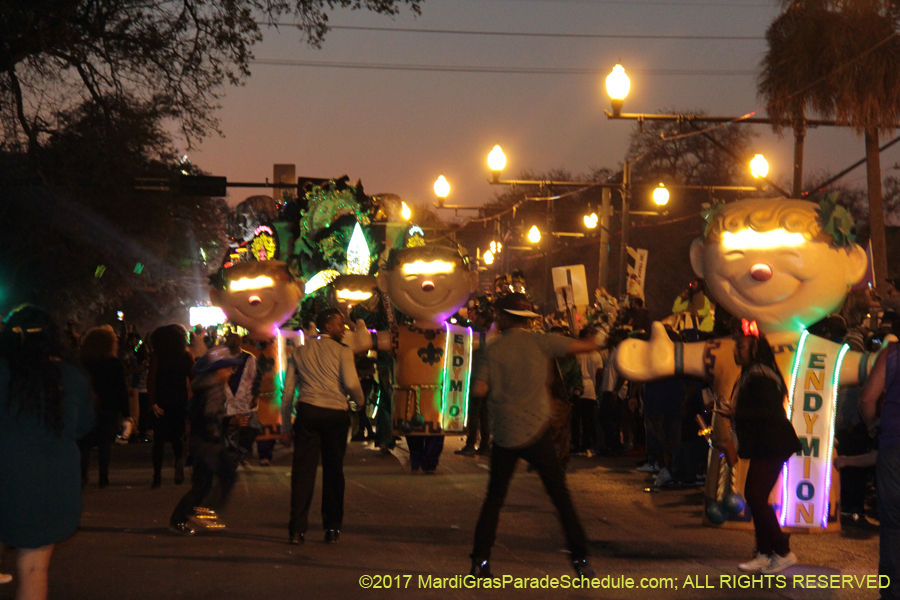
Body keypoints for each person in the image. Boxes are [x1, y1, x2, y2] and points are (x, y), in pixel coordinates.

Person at [468, 293, 599, 578]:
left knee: (494, 499)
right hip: (537, 429)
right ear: (525, 319)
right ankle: (581, 560)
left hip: (504, 433)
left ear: (502, 318)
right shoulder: (542, 341)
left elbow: (477, 389)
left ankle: (480, 560)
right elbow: (586, 345)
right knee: (560, 496)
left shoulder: (490, 351)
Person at [0, 306, 95, 600]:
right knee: (33, 569)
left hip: (5, 473)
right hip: (52, 483)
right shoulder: (71, 376)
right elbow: (83, 426)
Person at [717, 324, 801, 575]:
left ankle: (783, 551)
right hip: (768, 443)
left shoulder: (761, 375)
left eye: (741, 346)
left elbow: (768, 411)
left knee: (755, 496)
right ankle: (765, 554)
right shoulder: (753, 373)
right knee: (756, 496)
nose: (736, 350)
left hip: (773, 443)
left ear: (755, 350)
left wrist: (736, 412)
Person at [280, 309, 365, 544]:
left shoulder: (299, 351)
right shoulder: (343, 352)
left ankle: (297, 530)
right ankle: (332, 527)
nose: (343, 329)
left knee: (302, 473)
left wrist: (286, 425)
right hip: (335, 413)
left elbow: (287, 391)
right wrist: (360, 402)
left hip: (307, 412)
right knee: (333, 471)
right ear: (328, 327)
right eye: (340, 324)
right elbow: (350, 382)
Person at [168, 345, 244, 535]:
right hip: (208, 441)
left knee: (204, 484)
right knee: (223, 478)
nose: (230, 372)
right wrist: (229, 419)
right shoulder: (214, 388)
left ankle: (187, 516)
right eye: (227, 368)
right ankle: (194, 515)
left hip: (202, 440)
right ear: (217, 370)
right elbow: (210, 413)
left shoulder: (204, 386)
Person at [860, 333, 900, 600]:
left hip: (894, 448)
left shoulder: (892, 354)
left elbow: (866, 401)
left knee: (892, 526)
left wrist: (873, 425)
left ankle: (891, 592)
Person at [78, 325, 130, 488]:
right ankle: (103, 476)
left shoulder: (83, 362)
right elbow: (122, 389)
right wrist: (126, 413)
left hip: (88, 406)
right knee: (105, 443)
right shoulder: (114, 364)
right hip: (109, 407)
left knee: (85, 442)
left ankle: (83, 473)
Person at [148, 325, 194, 488]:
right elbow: (194, 379)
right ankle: (179, 462)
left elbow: (152, 380)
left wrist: (152, 402)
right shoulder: (185, 356)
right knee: (177, 436)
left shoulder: (157, 356)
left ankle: (157, 476)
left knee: (158, 440)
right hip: (179, 401)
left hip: (161, 401)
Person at [223, 332, 261, 469]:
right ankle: (233, 459)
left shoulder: (249, 358)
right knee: (230, 430)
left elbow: (257, 377)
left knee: (250, 429)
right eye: (228, 340)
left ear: (238, 342)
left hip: (246, 400)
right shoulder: (222, 358)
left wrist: (255, 396)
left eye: (232, 340)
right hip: (228, 400)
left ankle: (243, 455)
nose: (229, 342)